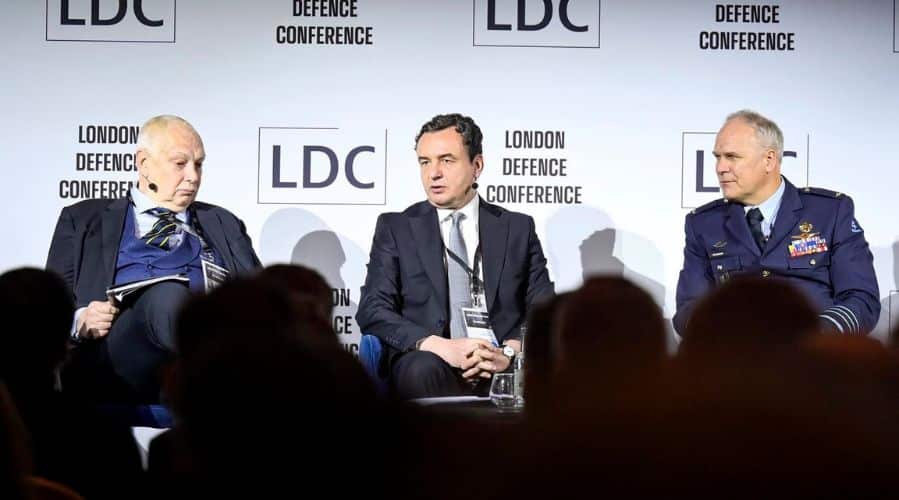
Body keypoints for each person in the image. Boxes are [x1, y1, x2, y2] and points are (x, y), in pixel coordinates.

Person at [46, 115, 261, 403]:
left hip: (202, 355)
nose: (193, 176)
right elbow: (48, 311)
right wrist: (80, 320)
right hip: (115, 355)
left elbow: (262, 302)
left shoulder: (223, 222)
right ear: (144, 164)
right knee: (168, 296)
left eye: (199, 164)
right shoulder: (83, 218)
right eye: (180, 164)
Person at [356, 113, 554, 399]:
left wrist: (509, 352)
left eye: (447, 160)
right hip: (430, 358)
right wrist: (439, 346)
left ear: (477, 166)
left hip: (500, 359)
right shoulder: (397, 227)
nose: (433, 173)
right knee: (420, 370)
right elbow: (373, 308)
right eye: (425, 162)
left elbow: (544, 307)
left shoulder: (516, 228)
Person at [673, 110, 879, 337]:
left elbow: (861, 299)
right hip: (736, 353)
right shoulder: (703, 224)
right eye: (717, 157)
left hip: (816, 352)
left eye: (732, 157)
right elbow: (688, 310)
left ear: (769, 160)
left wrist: (815, 335)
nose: (720, 168)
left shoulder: (830, 213)